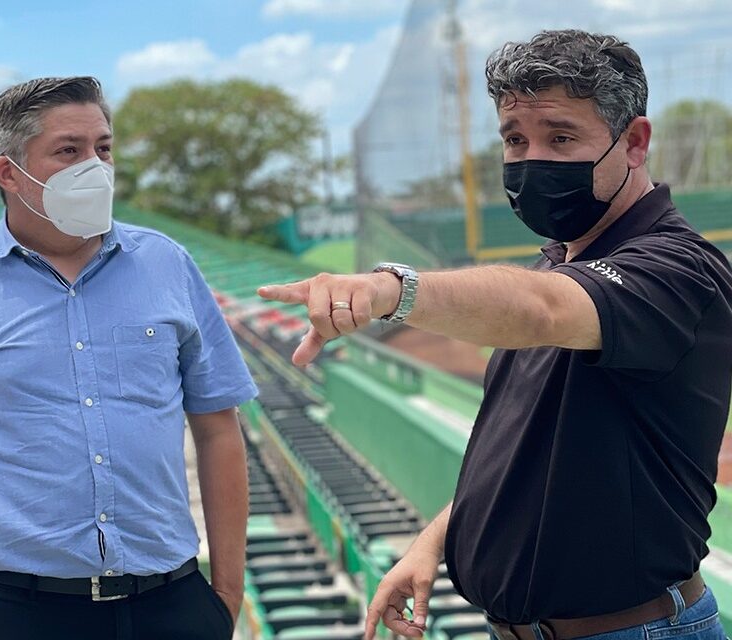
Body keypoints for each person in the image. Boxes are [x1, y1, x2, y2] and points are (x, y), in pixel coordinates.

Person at [259, 29, 732, 640]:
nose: (532, 160)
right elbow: (524, 450)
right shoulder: (555, 266)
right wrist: (436, 541)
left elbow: (542, 310)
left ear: (634, 143)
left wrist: (389, 290)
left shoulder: (674, 268)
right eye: (516, 139)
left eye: (561, 137)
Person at [0, 76, 258, 640]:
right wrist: (6, 522)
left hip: (171, 603)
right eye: (68, 151)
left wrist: (225, 594)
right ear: (9, 174)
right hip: (13, 611)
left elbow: (219, 430)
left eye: (103, 148)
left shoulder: (167, 265)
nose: (94, 166)